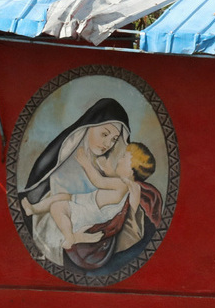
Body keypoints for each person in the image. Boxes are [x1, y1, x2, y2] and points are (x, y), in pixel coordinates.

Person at [19, 98, 134, 269]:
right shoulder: (65, 152)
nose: (107, 144)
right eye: (105, 134)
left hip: (86, 220)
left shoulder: (105, 166)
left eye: (114, 139)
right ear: (89, 126)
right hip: (67, 211)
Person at [23, 142, 155, 250]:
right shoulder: (122, 182)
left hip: (88, 210)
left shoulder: (123, 184)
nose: (119, 159)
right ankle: (33, 209)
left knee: (57, 207)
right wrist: (103, 166)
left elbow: (99, 181)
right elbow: (107, 178)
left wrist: (85, 163)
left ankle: (70, 237)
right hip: (86, 202)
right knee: (60, 196)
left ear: (132, 168)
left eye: (124, 157)